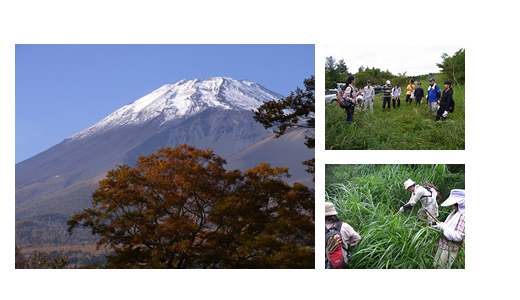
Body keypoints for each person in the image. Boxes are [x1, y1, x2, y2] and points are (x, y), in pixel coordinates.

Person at [433, 189, 465, 269]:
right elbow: (448, 226)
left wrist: (443, 227)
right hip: (444, 245)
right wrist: (439, 225)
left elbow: (458, 236)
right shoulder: (455, 212)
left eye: (453, 203)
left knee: (442, 268)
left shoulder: (464, 216)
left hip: (449, 249)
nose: (451, 205)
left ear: (459, 203)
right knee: (436, 265)